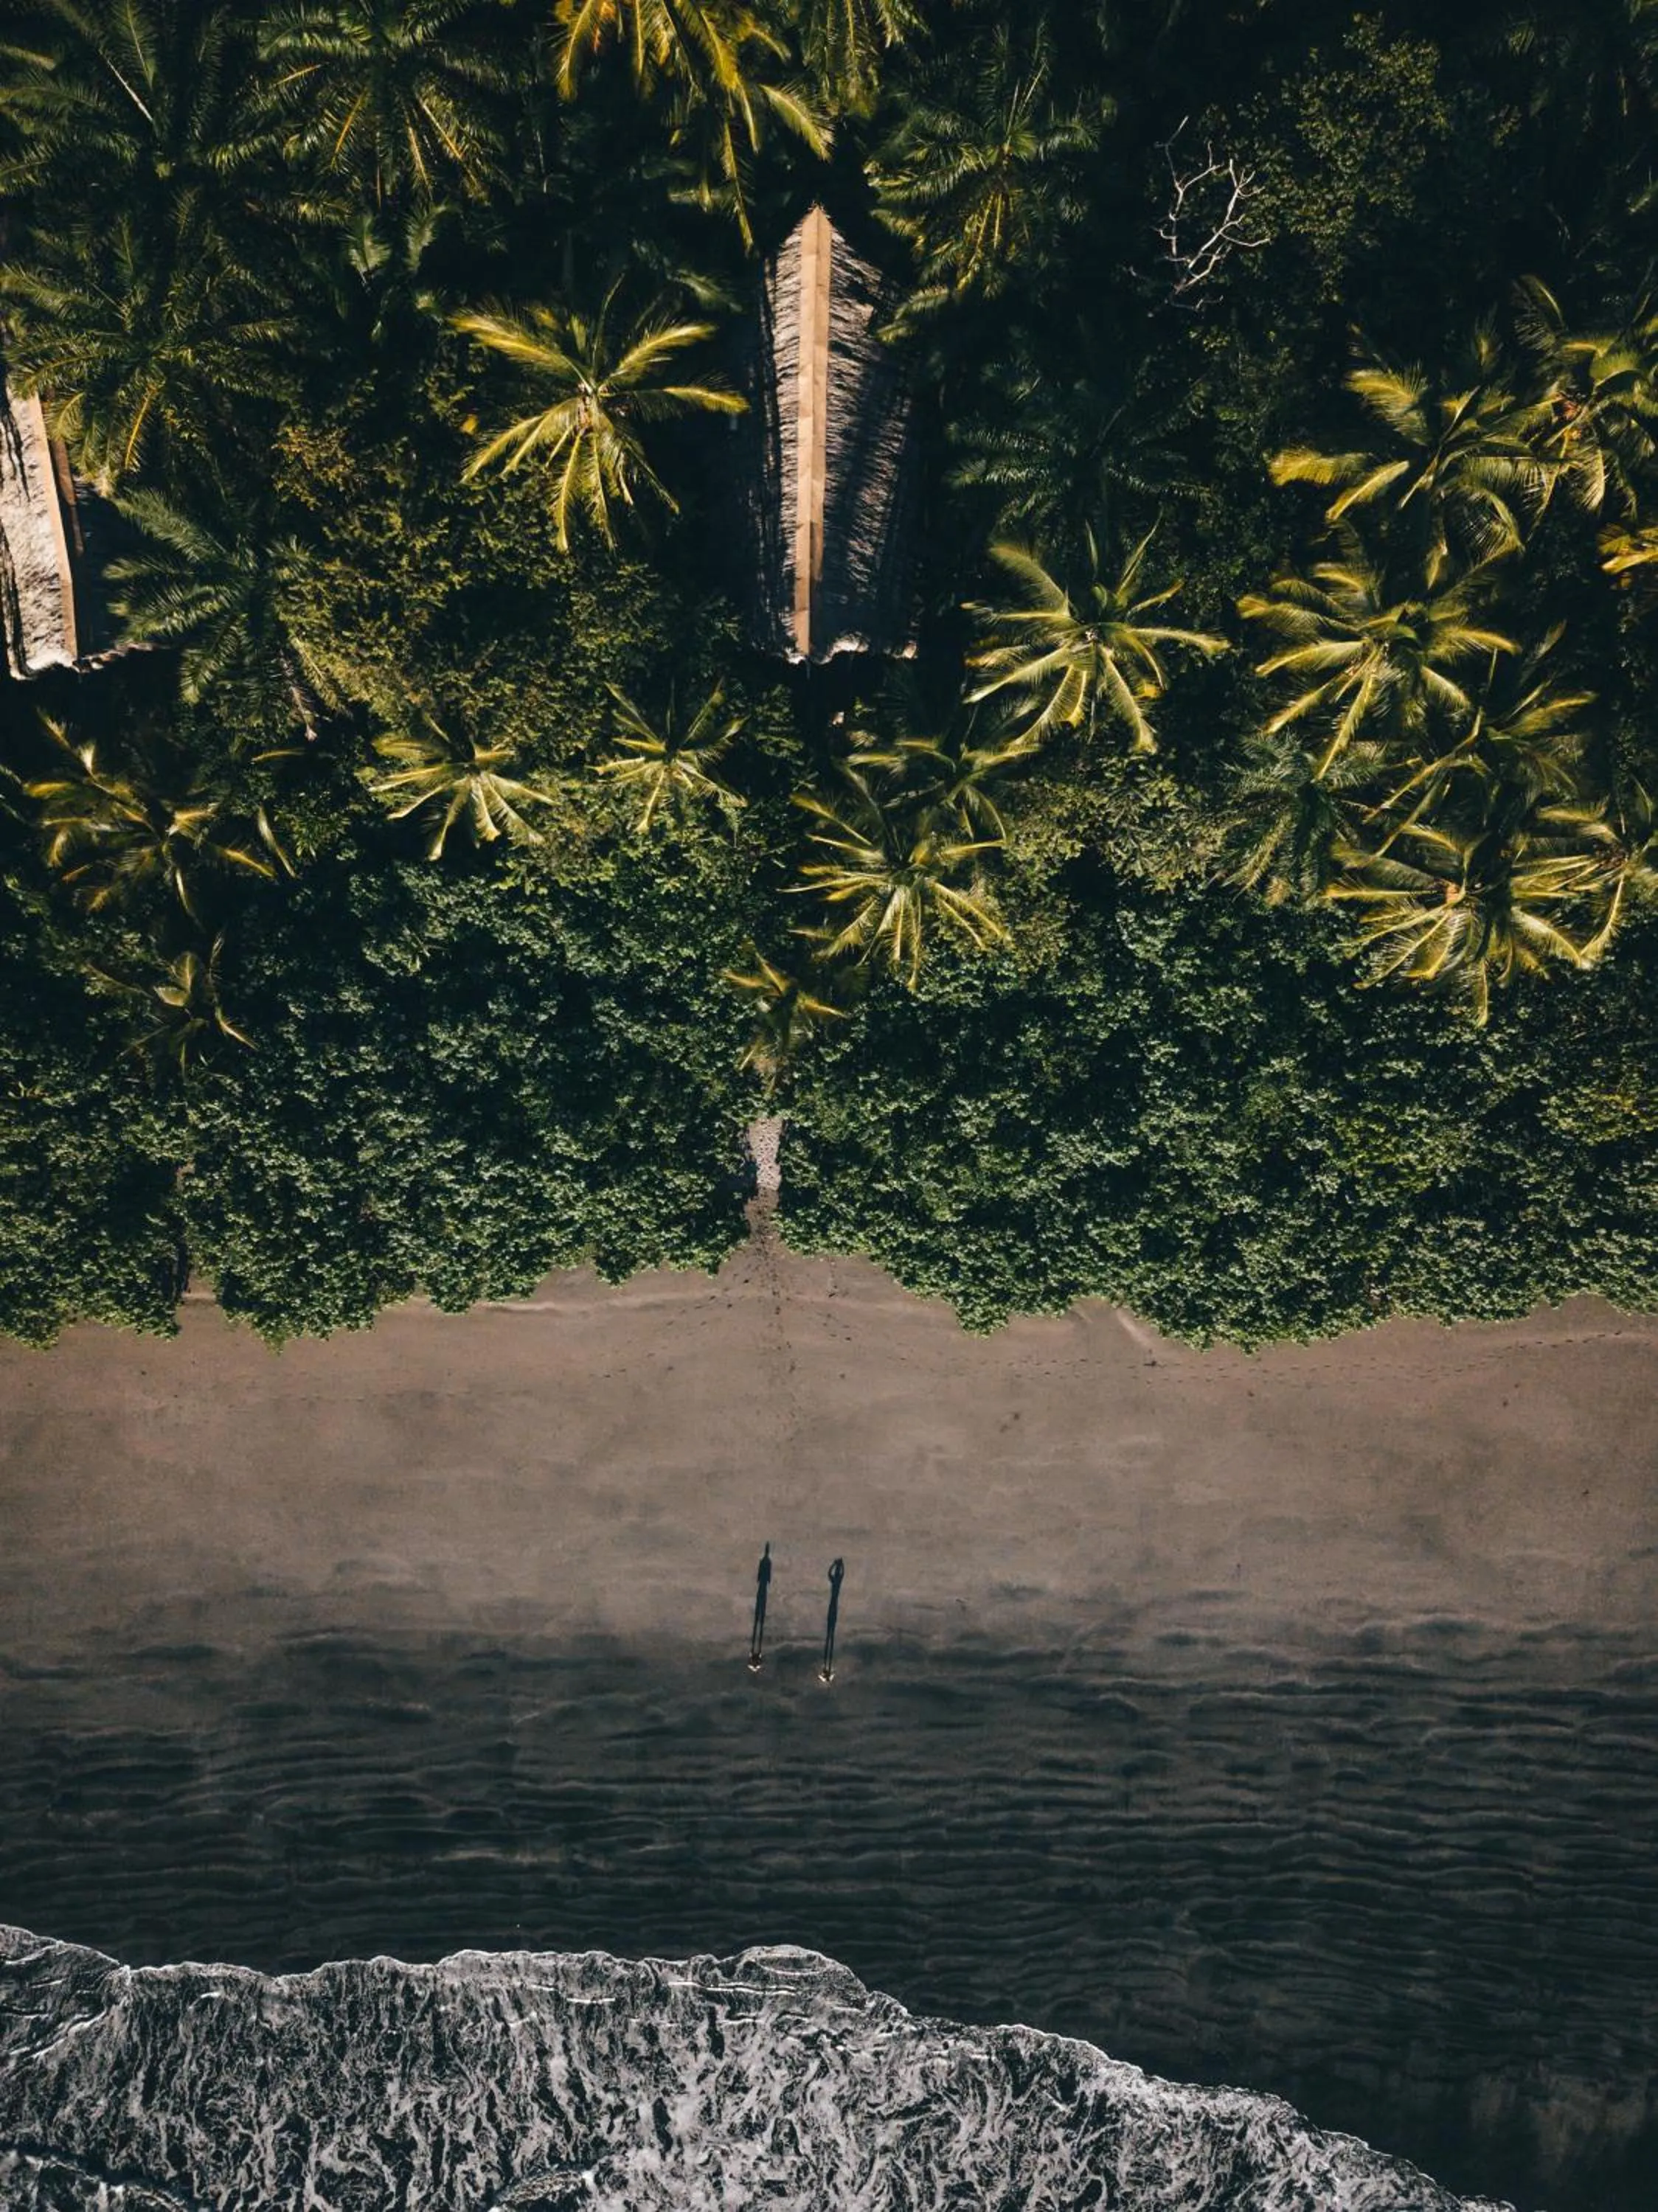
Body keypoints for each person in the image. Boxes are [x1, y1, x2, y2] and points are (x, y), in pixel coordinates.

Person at [819, 1557, 844, 1683]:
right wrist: (839, 1565)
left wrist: (834, 1565)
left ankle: (827, 1659)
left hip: (832, 1605)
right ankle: (827, 1660)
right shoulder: (838, 1580)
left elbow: (829, 1573)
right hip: (834, 1605)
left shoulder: (836, 1580)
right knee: (832, 1629)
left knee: (831, 1628)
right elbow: (837, 1573)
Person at [748, 1542, 772, 1671]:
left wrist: (762, 1578)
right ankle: (759, 1621)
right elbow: (767, 1572)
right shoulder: (766, 1562)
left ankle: (759, 1621)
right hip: (763, 1583)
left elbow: (764, 1571)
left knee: (761, 1599)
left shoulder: (765, 1562)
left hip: (762, 1584)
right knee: (761, 1599)